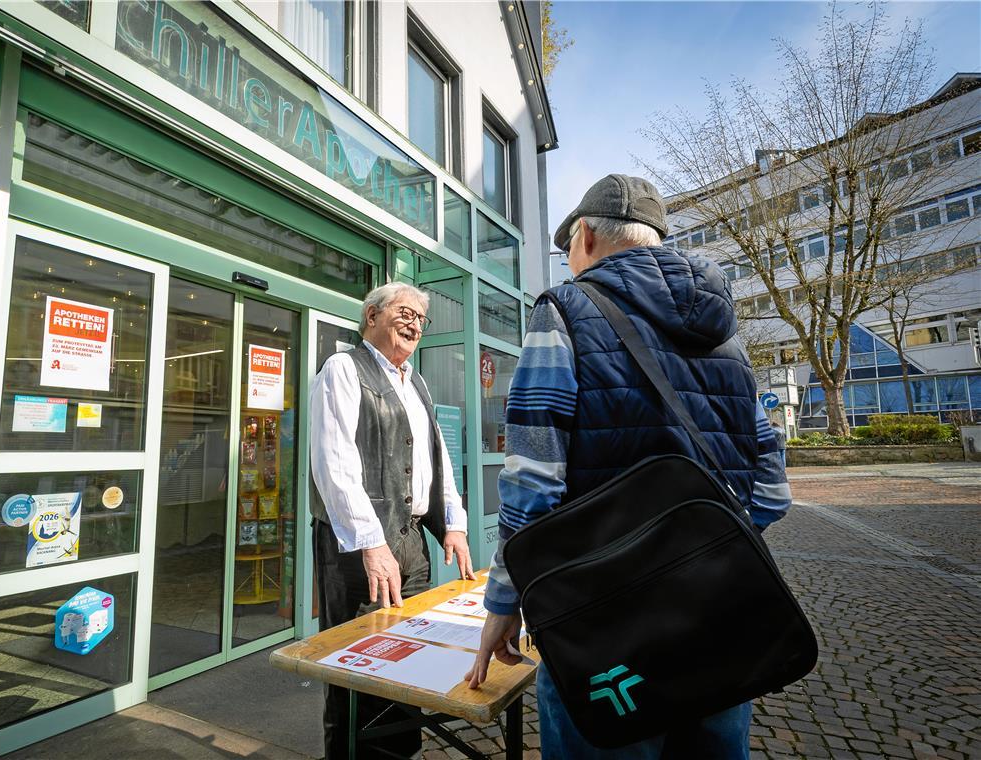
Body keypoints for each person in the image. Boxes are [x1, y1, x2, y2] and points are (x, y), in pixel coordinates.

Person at [465, 174, 793, 758]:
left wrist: (505, 602)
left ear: (586, 236)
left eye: (568, 246)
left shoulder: (564, 311)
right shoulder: (728, 337)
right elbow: (770, 490)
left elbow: (533, 483)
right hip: (720, 612)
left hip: (606, 623)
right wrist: (703, 549)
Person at [310, 282, 475, 759]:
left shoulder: (416, 382)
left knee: (408, 655)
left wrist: (454, 524)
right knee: (357, 663)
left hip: (411, 544)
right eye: (405, 313)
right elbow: (334, 465)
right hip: (358, 547)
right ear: (372, 316)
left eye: (421, 318)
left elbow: (435, 461)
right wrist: (371, 541)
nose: (414, 324)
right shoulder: (343, 369)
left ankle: (401, 753)